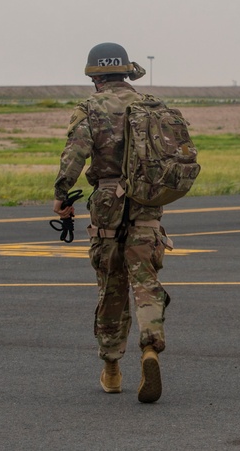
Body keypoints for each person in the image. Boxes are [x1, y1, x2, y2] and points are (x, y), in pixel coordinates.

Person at [52, 42, 170, 404]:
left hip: (107, 202)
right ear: (126, 71)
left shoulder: (91, 108)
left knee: (112, 283)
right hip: (148, 201)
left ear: (95, 76)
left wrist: (61, 193)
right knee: (146, 279)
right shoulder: (152, 105)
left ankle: (113, 369)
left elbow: (76, 153)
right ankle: (150, 348)